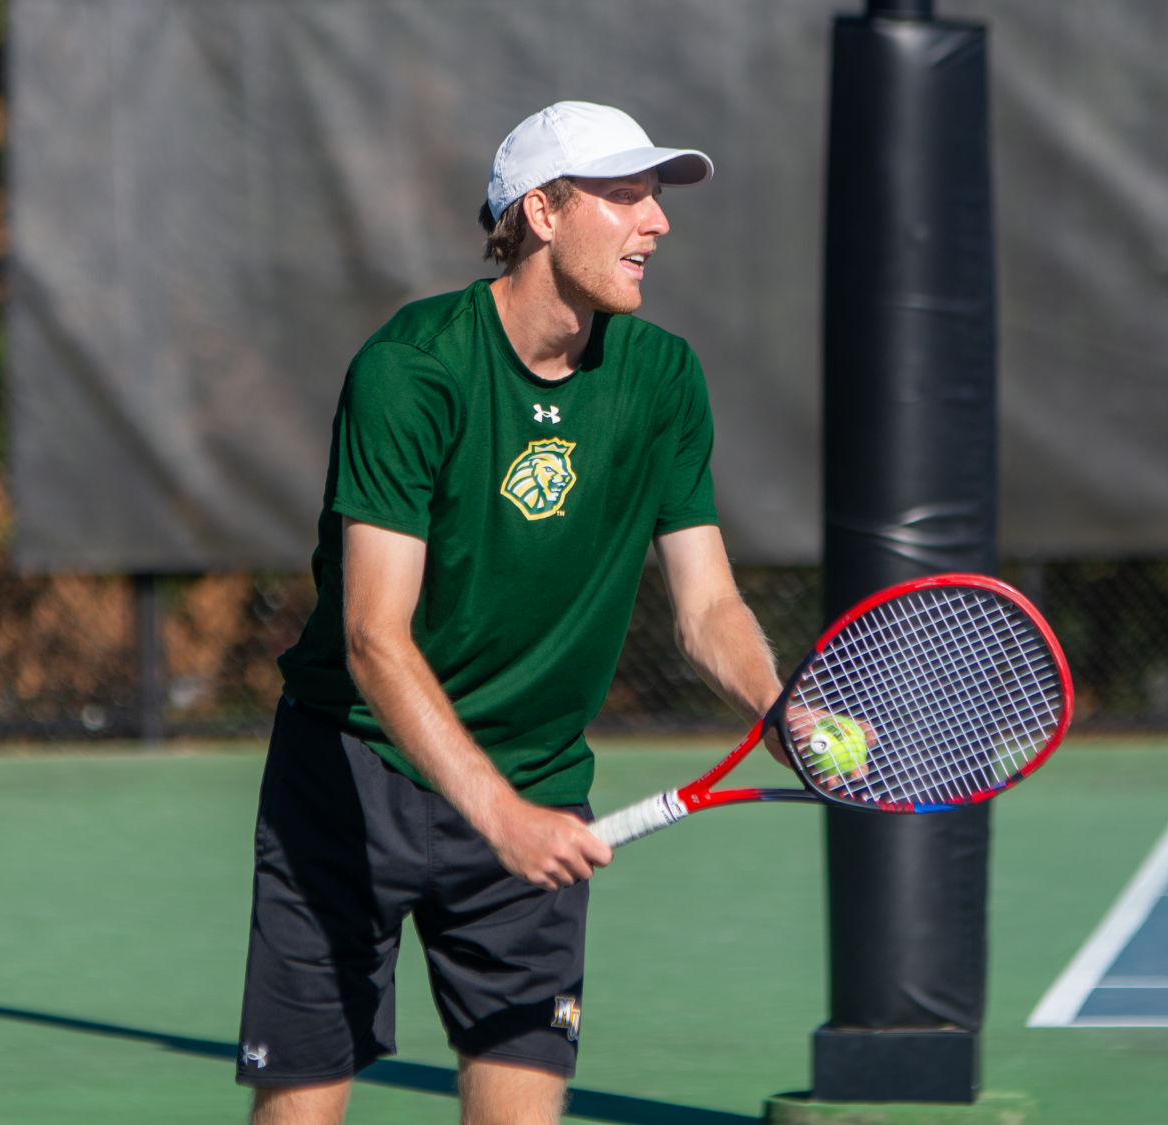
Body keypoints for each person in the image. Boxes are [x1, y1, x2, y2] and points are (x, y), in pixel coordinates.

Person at [237, 101, 784, 1125]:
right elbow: (373, 637)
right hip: (353, 775)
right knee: (301, 1107)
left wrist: (778, 705)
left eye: (655, 197)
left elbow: (708, 606)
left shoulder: (662, 378)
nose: (656, 221)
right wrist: (499, 817)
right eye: (624, 195)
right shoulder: (413, 370)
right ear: (541, 212)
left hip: (538, 775)